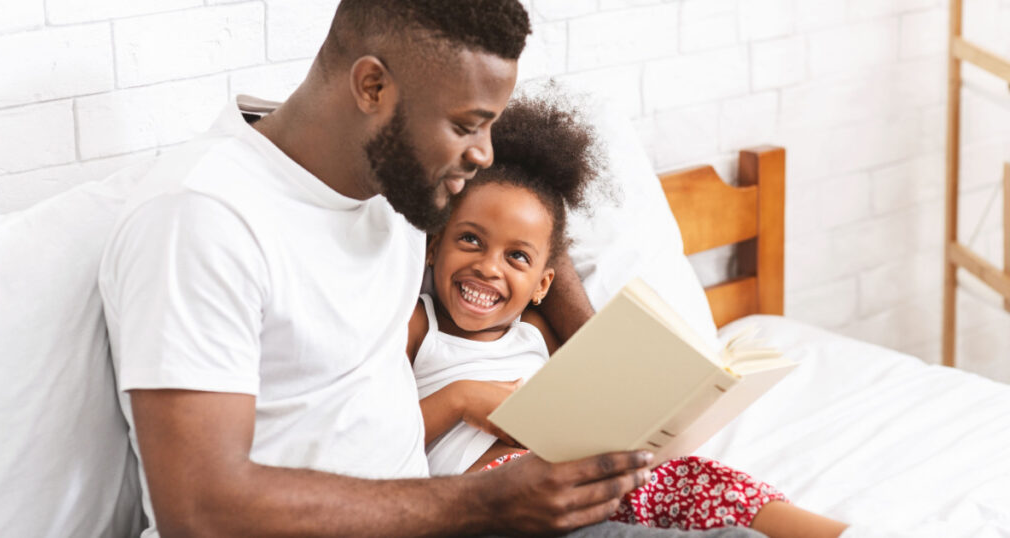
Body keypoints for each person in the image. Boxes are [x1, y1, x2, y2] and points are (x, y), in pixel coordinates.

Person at [98, 0, 765, 536]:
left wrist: (599, 357)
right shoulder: (203, 219)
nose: (484, 153)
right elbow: (200, 510)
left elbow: (525, 244)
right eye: (468, 126)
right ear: (372, 86)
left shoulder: (394, 183)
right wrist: (484, 505)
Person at [408, 94, 851, 538]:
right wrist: (461, 399)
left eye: (517, 257)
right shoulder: (418, 327)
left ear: (544, 284)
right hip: (497, 505)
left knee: (694, 479)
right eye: (469, 240)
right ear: (433, 247)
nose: (488, 267)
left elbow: (587, 404)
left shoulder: (538, 333)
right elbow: (378, 429)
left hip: (579, 479)